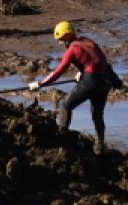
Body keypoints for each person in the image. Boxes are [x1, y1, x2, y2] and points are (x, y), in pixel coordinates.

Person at [28, 21, 116, 154]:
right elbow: (99, 60)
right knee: (97, 114)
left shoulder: (72, 50)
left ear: (66, 36)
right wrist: (82, 71)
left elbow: (58, 72)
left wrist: (40, 84)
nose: (59, 43)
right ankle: (99, 147)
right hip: (105, 81)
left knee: (65, 106)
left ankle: (62, 139)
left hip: (91, 80)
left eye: (60, 40)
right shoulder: (88, 41)